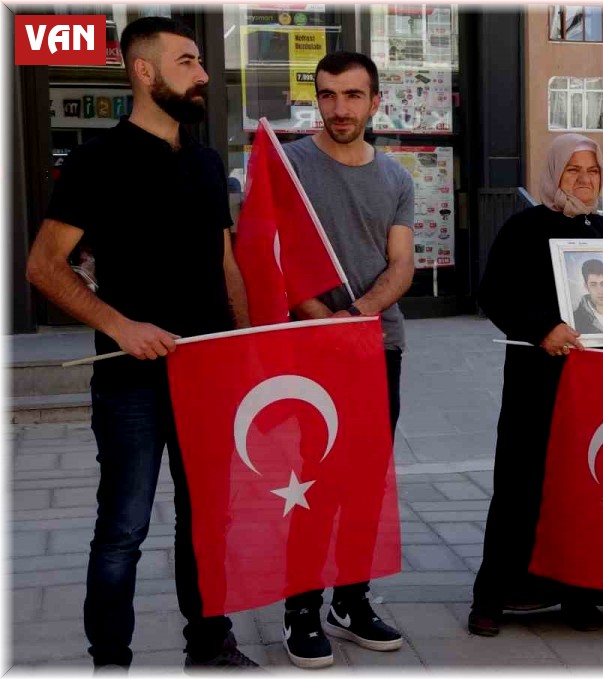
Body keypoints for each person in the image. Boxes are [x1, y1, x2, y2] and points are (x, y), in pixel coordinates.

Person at [24, 17, 257, 668]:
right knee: (123, 529)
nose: (204, 73)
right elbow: (44, 266)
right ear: (145, 72)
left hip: (209, 372)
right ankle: (111, 660)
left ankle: (210, 643)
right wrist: (120, 325)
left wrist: (241, 345)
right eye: (187, 61)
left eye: (202, 61)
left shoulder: (209, 161)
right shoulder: (98, 161)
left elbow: (225, 263)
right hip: (132, 379)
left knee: (209, 518)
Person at [470, 134, 603, 637]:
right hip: (538, 379)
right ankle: (493, 598)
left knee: (583, 484)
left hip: (596, 384)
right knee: (521, 483)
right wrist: (541, 328)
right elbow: (494, 294)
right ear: (554, 174)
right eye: (573, 171)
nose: (585, 181)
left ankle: (577, 592)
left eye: (593, 171)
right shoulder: (523, 228)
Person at [281, 51, 411, 668]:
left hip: (377, 348)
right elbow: (271, 256)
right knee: (312, 484)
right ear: (317, 98)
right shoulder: (289, 166)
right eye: (328, 95)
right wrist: (320, 319)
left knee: (365, 484)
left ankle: (351, 600)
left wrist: (359, 316)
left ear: (374, 102)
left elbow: (402, 263)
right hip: (309, 350)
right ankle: (301, 610)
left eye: (353, 95)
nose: (340, 108)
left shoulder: (396, 178)